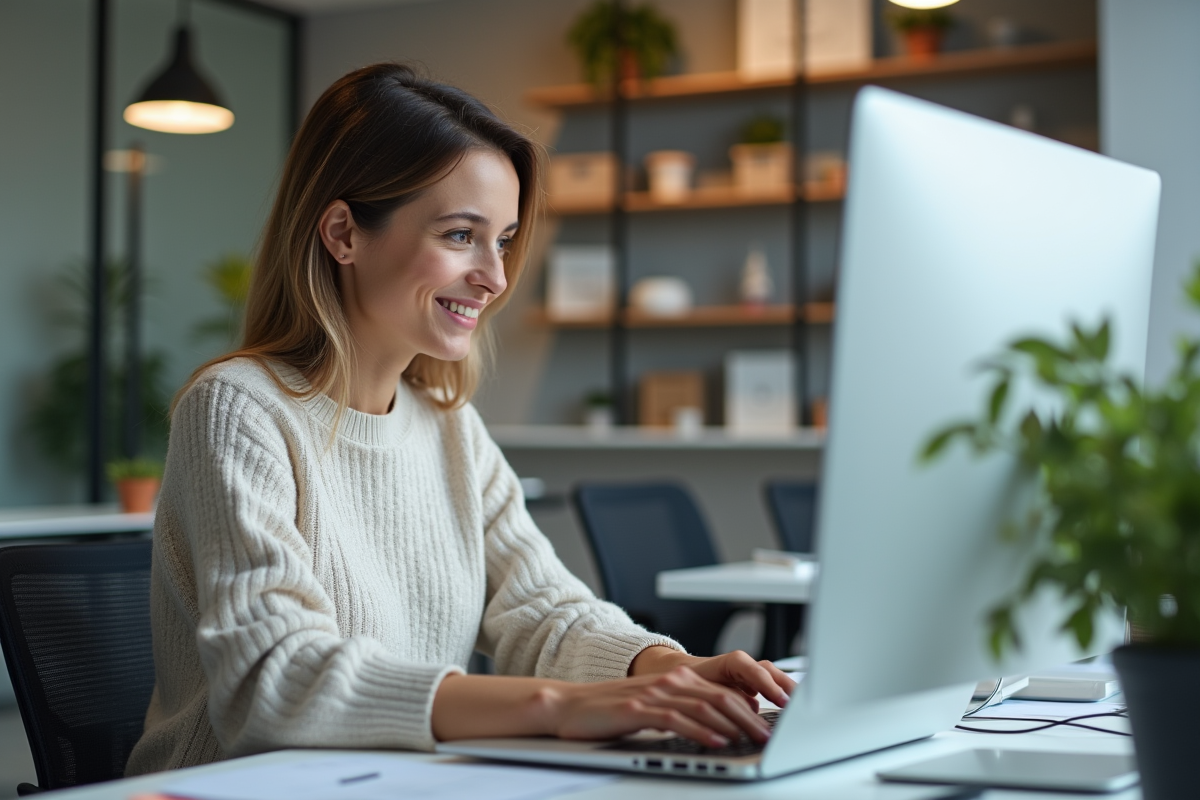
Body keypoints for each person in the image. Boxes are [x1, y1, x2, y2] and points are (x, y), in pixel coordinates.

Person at [125, 63, 795, 776]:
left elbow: (541, 610)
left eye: (502, 240)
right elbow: (275, 680)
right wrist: (556, 708)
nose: (495, 277)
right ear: (344, 233)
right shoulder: (238, 409)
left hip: (392, 783)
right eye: (459, 235)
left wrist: (664, 666)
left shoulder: (446, 423)